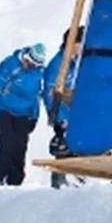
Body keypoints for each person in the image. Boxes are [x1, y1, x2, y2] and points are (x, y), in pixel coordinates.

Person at [0, 42, 48, 186]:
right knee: (7, 145)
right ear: (26, 58)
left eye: (36, 65)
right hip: (5, 110)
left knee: (20, 147)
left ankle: (15, 181)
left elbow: (36, 96)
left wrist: (34, 117)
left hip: (24, 114)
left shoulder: (38, 73)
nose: (32, 66)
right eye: (30, 63)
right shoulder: (10, 65)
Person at [43, 27, 83, 188]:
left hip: (78, 112)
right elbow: (50, 94)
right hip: (64, 112)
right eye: (80, 43)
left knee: (77, 146)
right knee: (64, 146)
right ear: (72, 43)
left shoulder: (79, 61)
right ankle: (59, 181)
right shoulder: (58, 64)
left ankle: (77, 178)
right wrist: (60, 118)